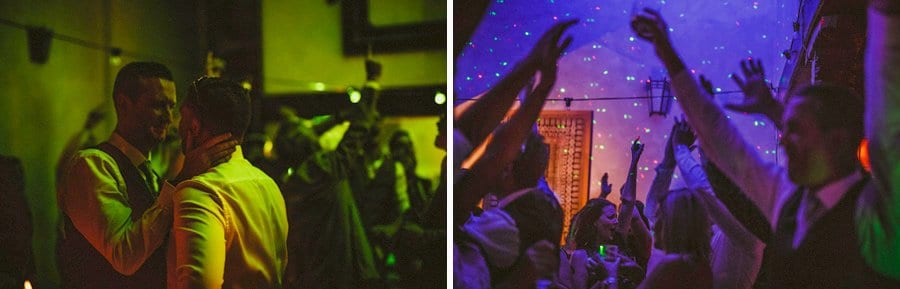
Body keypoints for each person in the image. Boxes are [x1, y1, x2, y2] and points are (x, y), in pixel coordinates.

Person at [631, 7, 900, 287]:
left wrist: (885, 15)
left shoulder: (876, 212)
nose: (783, 139)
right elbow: (725, 143)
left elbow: (887, 99)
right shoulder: (789, 198)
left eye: (795, 130)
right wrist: (665, 49)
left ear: (837, 141)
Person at [59, 62, 236, 289]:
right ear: (123, 105)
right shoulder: (92, 164)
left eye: (172, 107)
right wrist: (183, 179)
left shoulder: (149, 172)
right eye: (158, 106)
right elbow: (124, 256)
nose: (169, 118)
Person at [167, 77, 288, 289]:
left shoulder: (201, 192)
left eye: (182, 118)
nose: (177, 125)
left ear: (194, 127)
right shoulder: (268, 184)